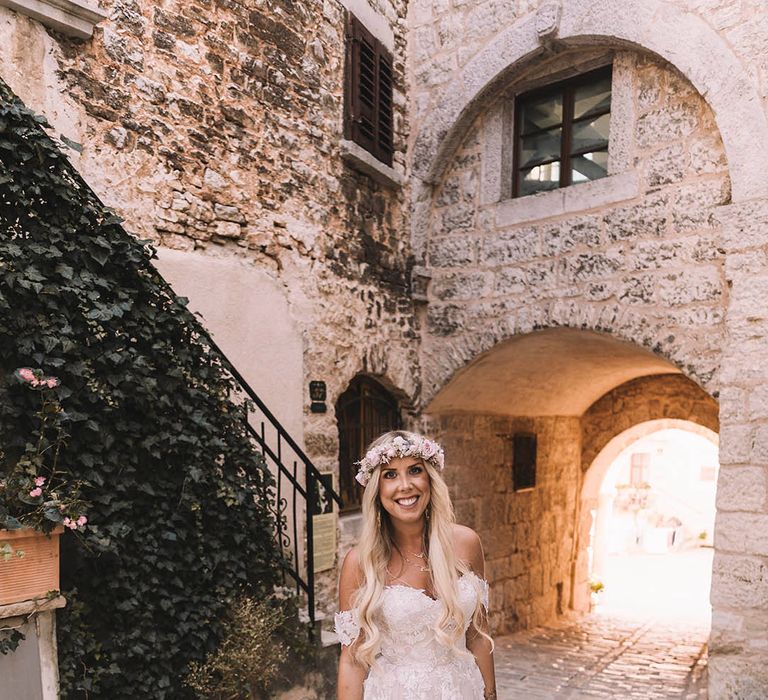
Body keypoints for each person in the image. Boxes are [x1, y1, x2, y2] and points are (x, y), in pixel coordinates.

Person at [335, 430, 496, 699]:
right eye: (390, 475)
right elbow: (352, 659)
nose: (405, 485)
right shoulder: (361, 562)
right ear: (376, 489)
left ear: (430, 479)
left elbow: (478, 635)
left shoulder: (467, 543)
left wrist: (490, 695)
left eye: (414, 470)